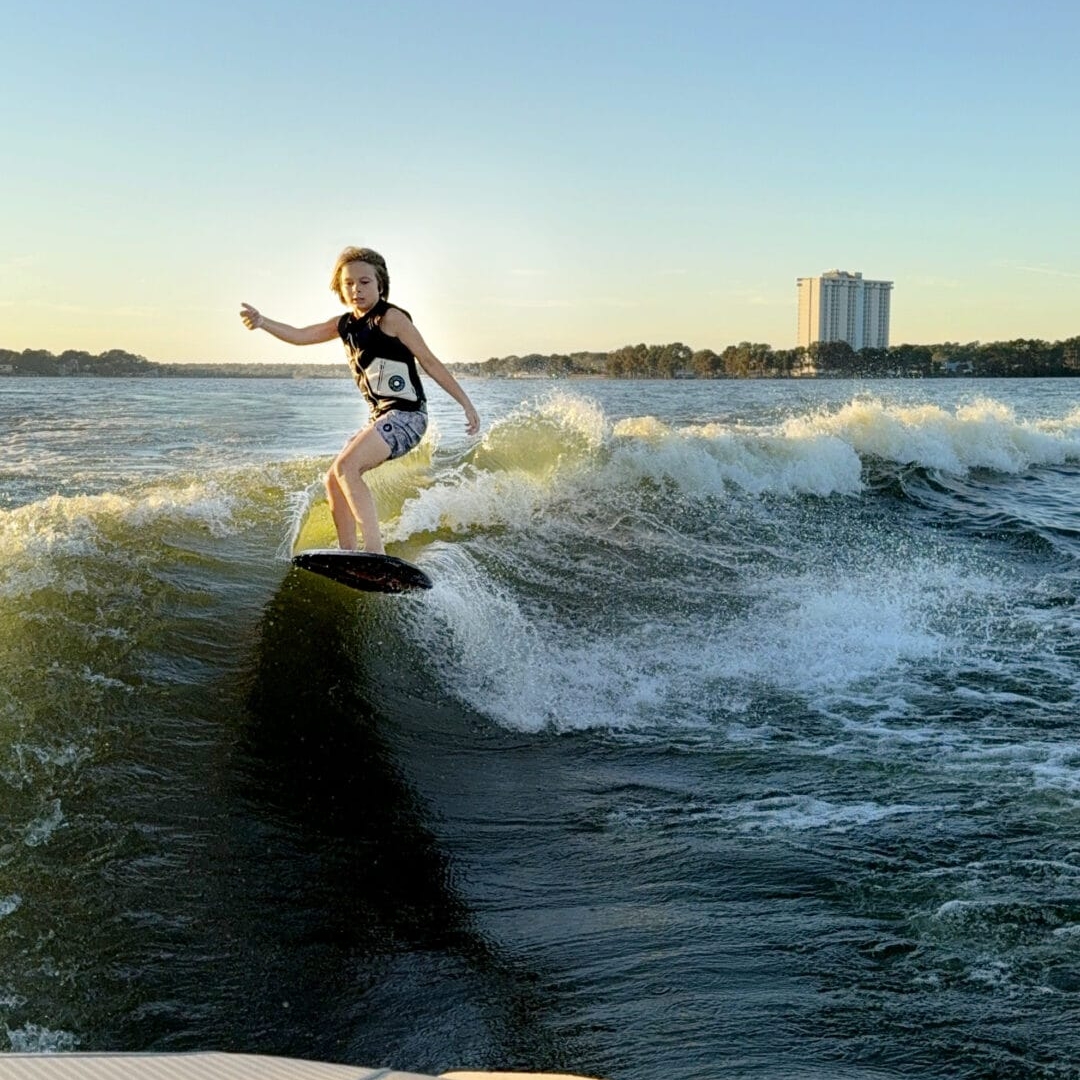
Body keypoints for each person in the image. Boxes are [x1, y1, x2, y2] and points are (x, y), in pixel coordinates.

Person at [240, 247, 480, 554]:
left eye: (364, 282)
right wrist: (263, 322)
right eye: (349, 284)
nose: (356, 289)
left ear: (380, 284)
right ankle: (349, 553)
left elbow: (430, 362)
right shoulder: (344, 324)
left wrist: (466, 403)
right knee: (333, 479)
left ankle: (374, 553)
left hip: (408, 416)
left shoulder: (391, 318)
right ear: (340, 289)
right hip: (382, 418)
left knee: (346, 468)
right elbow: (300, 335)